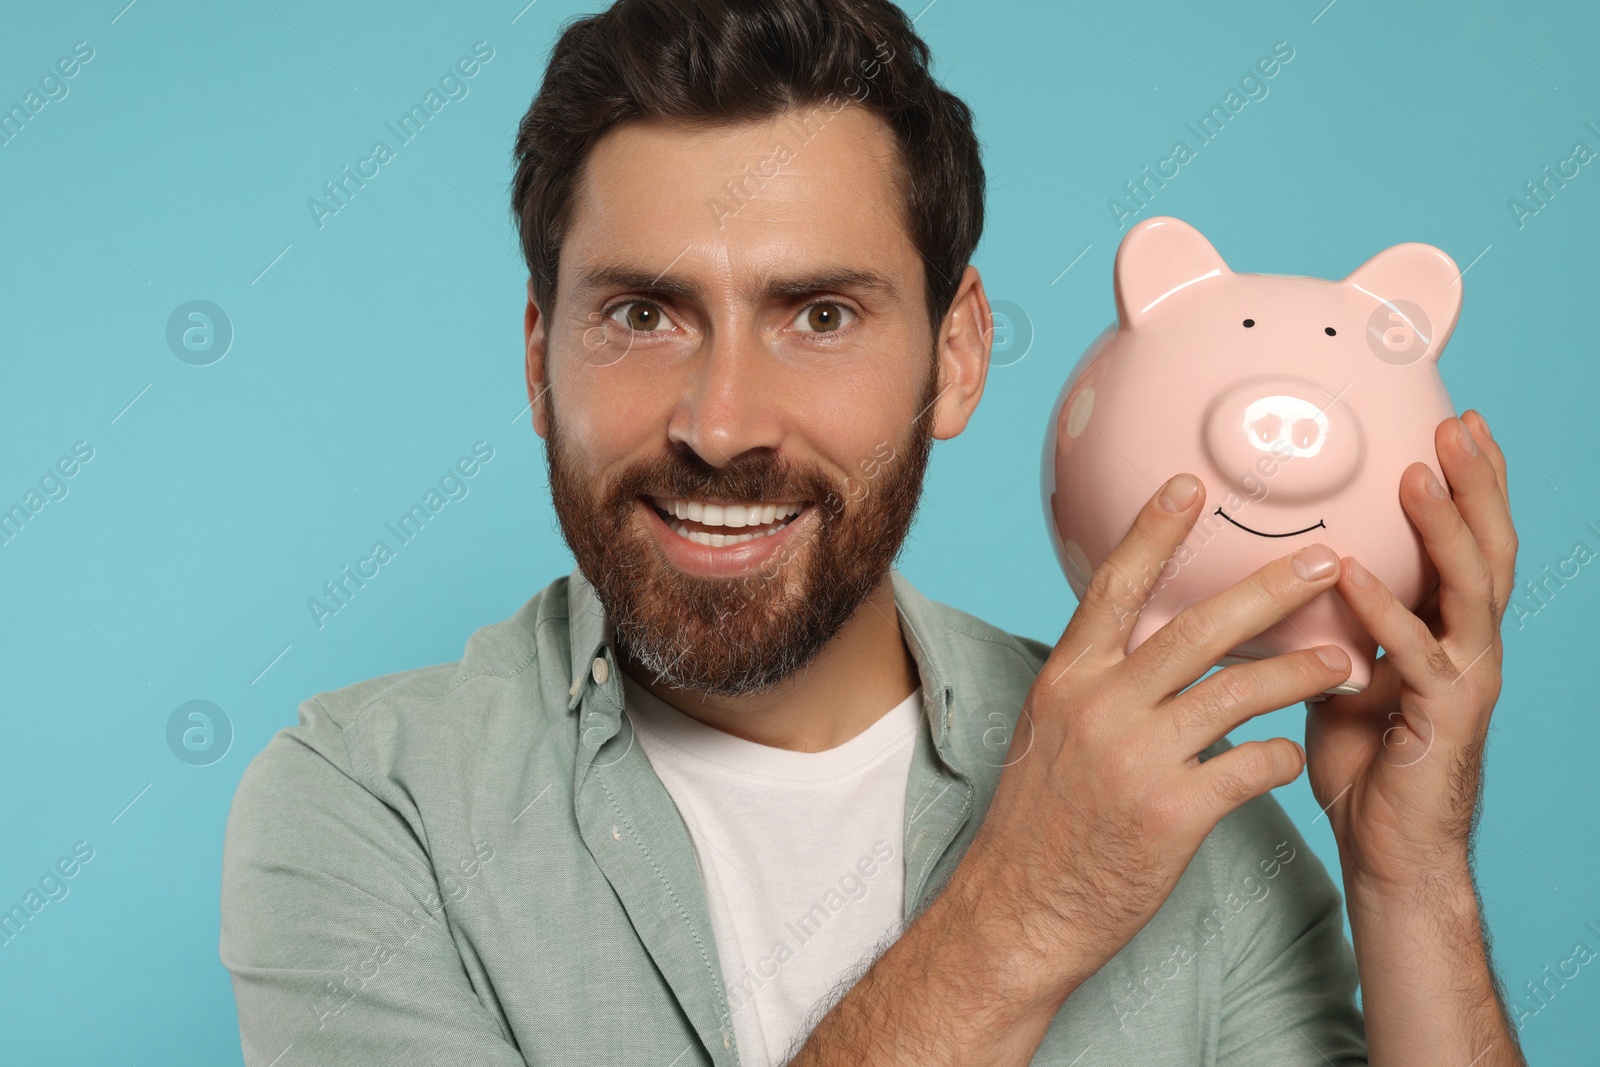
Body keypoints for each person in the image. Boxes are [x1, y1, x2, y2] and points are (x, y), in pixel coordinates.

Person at [219, 1, 1526, 1064]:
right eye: (642, 314)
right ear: (536, 354)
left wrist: (1412, 878)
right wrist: (1024, 918)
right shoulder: (370, 806)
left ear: (957, 357)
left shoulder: (1192, 806)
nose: (721, 424)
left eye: (821, 315)